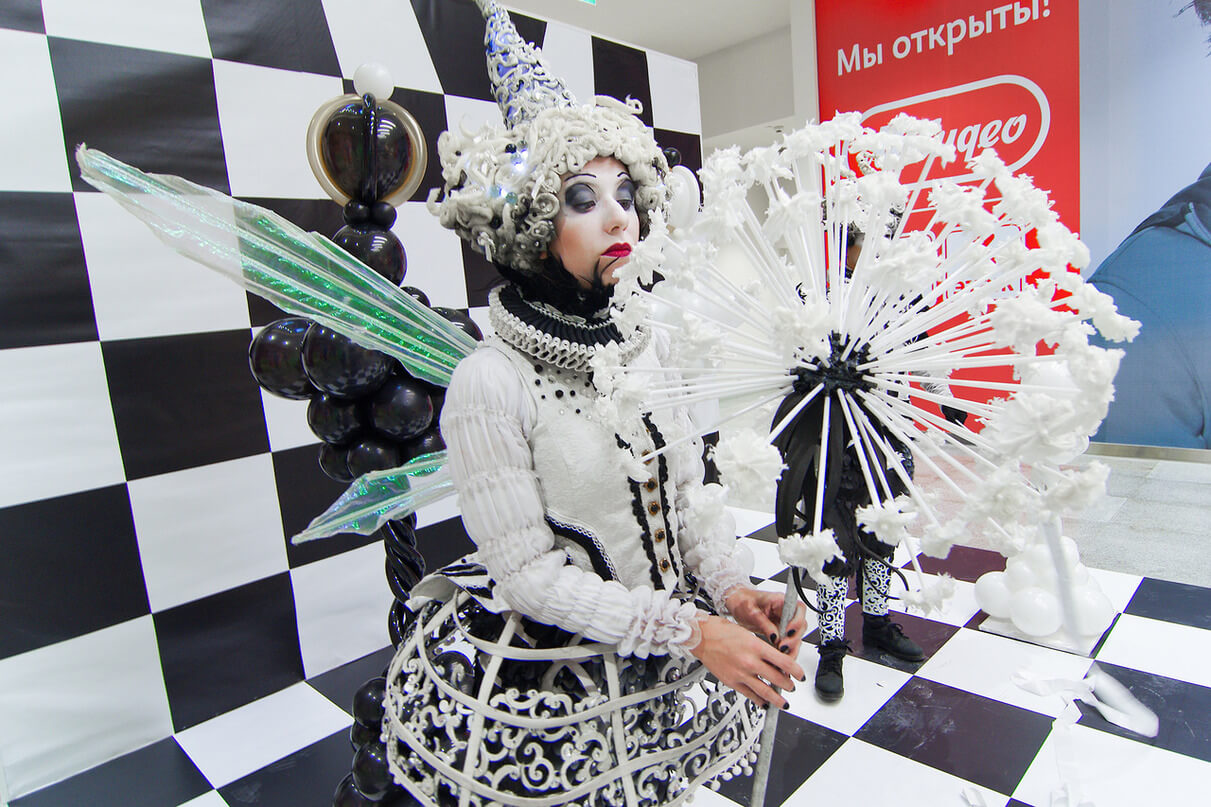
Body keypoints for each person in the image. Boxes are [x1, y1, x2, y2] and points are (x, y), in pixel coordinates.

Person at [381, 3, 806, 804]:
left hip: (668, 670)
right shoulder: (489, 381)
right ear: (533, 225)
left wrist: (728, 587)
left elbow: (689, 498)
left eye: (625, 192)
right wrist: (691, 628)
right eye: (581, 197)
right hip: (557, 684)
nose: (619, 216)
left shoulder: (651, 344)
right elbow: (528, 576)